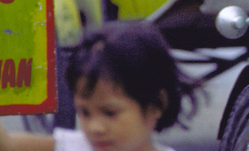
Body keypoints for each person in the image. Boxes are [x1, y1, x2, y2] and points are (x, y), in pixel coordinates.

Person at [0, 22, 199, 151]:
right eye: (85, 113)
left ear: (156, 105)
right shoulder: (76, 147)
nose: (95, 127)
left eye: (110, 113)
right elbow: (7, 143)